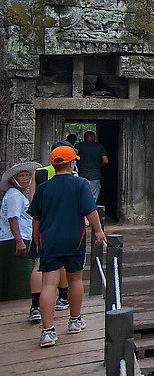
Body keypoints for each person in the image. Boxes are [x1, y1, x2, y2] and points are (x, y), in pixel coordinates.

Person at [28, 145, 106, 348]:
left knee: (48, 284)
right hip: (74, 238)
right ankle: (74, 320)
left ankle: (47, 331)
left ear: (54, 164)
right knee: (75, 280)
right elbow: (91, 211)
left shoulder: (44, 187)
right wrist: (98, 231)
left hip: (49, 240)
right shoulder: (81, 184)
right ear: (72, 163)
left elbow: (36, 218)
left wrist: (37, 238)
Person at [0, 162, 41, 301]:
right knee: (20, 275)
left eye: (27, 175)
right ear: (14, 179)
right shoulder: (14, 195)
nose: (24, 178)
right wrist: (19, 241)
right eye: (21, 176)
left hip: (21, 236)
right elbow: (13, 219)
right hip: (14, 239)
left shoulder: (18, 195)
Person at [75, 131, 108, 203]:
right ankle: (91, 212)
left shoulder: (78, 146)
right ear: (94, 138)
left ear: (84, 138)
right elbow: (105, 161)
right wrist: (99, 166)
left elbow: (73, 160)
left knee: (81, 196)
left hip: (81, 175)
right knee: (93, 198)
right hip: (95, 175)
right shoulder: (100, 147)